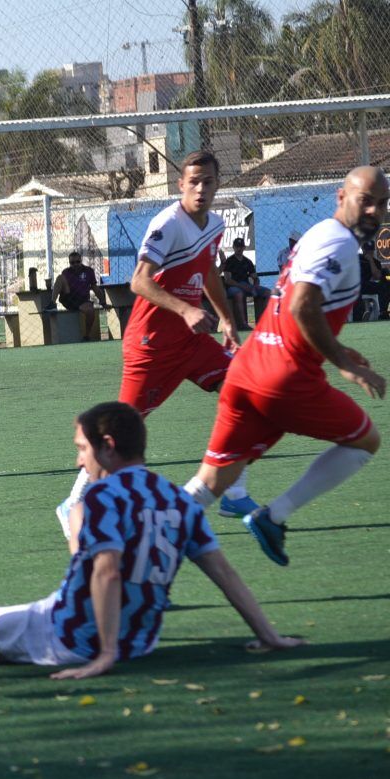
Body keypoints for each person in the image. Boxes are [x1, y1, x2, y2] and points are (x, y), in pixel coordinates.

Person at [0, 402, 303, 677]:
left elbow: (108, 571)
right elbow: (224, 572)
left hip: (68, 635)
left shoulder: (101, 499)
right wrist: (269, 635)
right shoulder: (178, 500)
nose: (78, 462)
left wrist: (105, 653)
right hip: (142, 642)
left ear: (107, 447)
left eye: (81, 450)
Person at [182, 167, 388, 567]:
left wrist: (338, 345)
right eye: (366, 200)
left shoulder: (318, 233)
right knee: (365, 441)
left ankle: (138, 543)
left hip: (246, 369)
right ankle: (273, 517)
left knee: (210, 484)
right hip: (284, 378)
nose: (374, 211)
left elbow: (297, 310)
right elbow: (302, 306)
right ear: (340, 196)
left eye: (382, 203)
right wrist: (343, 362)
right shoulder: (340, 244)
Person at [59, 151, 258, 528]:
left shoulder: (214, 225)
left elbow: (209, 272)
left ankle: (234, 492)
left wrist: (228, 320)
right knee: (120, 430)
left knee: (246, 388)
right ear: (181, 184)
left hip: (192, 342)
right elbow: (139, 281)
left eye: (208, 182)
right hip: (151, 344)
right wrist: (185, 310)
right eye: (194, 182)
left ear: (218, 184)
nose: (201, 189)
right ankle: (73, 503)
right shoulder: (168, 224)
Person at [50, 250, 106, 341]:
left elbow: (95, 287)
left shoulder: (88, 271)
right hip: (68, 298)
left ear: (81, 261)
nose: (75, 264)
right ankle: (52, 303)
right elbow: (62, 286)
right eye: (72, 263)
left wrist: (103, 301)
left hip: (82, 300)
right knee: (60, 278)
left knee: (91, 311)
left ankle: (87, 336)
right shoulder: (66, 272)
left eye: (77, 262)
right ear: (69, 263)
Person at [220, 237, 271, 329]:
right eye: (237, 247)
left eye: (241, 246)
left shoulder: (248, 261)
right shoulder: (229, 261)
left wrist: (255, 286)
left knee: (268, 292)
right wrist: (242, 286)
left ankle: (264, 322)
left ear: (244, 247)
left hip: (246, 286)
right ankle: (243, 324)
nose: (239, 249)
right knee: (239, 294)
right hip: (233, 287)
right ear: (233, 247)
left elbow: (255, 277)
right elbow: (228, 280)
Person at [358, 241, 390, 320]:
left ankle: (383, 313)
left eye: (371, 250)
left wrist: (371, 260)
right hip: (356, 285)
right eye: (367, 250)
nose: (369, 252)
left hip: (367, 285)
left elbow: (377, 276)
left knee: (383, 287)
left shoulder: (376, 262)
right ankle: (361, 313)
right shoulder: (357, 259)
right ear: (363, 250)